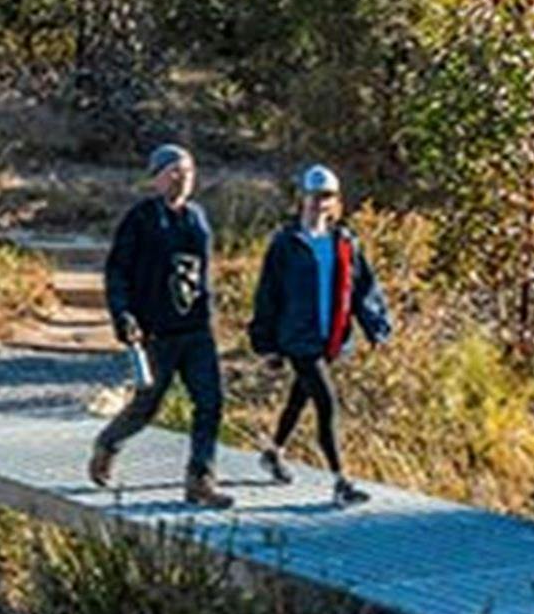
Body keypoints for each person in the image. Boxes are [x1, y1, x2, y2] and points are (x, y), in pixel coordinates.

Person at [87, 143, 234, 509]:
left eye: (188, 172)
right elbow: (117, 271)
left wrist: (211, 313)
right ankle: (108, 443)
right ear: (156, 178)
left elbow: (203, 273)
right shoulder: (140, 219)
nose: (182, 178)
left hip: (196, 329)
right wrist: (123, 315)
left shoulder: (198, 218)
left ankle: (200, 478)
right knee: (147, 406)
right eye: (174, 172)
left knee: (211, 403)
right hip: (157, 332)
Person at [246, 163, 391, 507]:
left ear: (335, 200)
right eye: (313, 196)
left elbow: (362, 289)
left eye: (326, 196)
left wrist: (376, 327)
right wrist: (266, 344)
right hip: (298, 337)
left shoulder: (345, 242)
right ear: (302, 198)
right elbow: (268, 294)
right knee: (327, 403)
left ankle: (273, 452)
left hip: (331, 338)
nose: (319, 203)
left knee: (299, 398)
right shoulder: (286, 243)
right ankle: (341, 481)